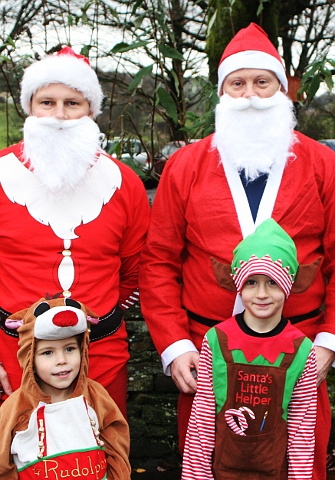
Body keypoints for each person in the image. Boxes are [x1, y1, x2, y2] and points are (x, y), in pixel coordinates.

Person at [139, 22, 335, 479]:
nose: (250, 94)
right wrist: (174, 345)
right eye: (238, 83)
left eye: (262, 82)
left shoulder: (323, 164)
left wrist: (328, 340)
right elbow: (159, 261)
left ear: (283, 91)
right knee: (207, 463)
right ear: (222, 93)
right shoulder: (186, 165)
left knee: (298, 462)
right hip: (211, 357)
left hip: (297, 356)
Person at [0, 46, 150, 418]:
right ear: (29, 107)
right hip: (12, 361)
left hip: (101, 360)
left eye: (72, 103)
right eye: (46, 103)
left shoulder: (124, 183)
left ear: (91, 111)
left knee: (102, 464)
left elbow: (134, 271)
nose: (59, 116)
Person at [181, 219, 318, 480]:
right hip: (222, 470)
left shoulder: (301, 350)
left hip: (274, 470)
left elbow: (302, 427)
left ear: (288, 285)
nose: (262, 294)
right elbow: (202, 418)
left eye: (273, 282)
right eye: (252, 282)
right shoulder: (217, 340)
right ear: (239, 286)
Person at [0, 297, 131, 479]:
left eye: (70, 349)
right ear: (29, 357)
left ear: (82, 350)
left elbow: (116, 447)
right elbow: (3, 465)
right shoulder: (15, 408)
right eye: (48, 352)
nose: (62, 360)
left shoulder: (96, 396)